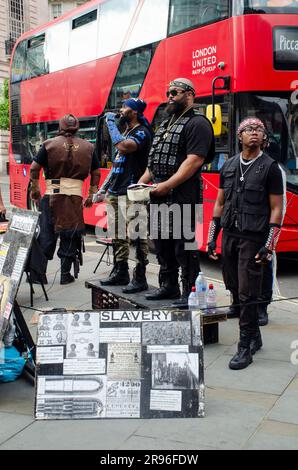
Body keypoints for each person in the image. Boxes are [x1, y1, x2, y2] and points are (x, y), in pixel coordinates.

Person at [207, 117, 284, 370]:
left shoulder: (270, 167)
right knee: (233, 285)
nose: (253, 133)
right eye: (248, 129)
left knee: (248, 292)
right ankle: (255, 336)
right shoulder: (228, 165)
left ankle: (245, 347)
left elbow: (276, 208)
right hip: (230, 235)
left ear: (264, 138)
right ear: (239, 137)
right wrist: (211, 238)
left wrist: (269, 244)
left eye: (258, 130)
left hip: (253, 238)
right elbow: (220, 203)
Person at [139, 78, 214, 306]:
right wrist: (140, 185)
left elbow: (194, 161)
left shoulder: (198, 123)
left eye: (175, 92)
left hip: (184, 195)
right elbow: (154, 162)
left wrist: (168, 185)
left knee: (185, 246)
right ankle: (168, 286)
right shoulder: (165, 122)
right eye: (168, 92)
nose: (169, 96)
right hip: (159, 193)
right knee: (162, 244)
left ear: (190, 94)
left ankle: (190, 292)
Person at [30, 114, 100, 285]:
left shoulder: (48, 145)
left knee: (46, 235)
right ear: (77, 128)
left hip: (52, 196)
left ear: (60, 127)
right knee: (70, 234)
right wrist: (91, 194)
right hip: (74, 198)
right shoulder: (88, 147)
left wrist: (35, 188)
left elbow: (34, 168)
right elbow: (96, 172)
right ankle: (65, 275)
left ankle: (39, 275)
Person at [100, 99, 153, 293]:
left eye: (125, 107)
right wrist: (103, 190)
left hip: (133, 192)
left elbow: (123, 147)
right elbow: (116, 166)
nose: (121, 110)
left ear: (135, 112)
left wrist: (111, 123)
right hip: (116, 191)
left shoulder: (141, 133)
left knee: (137, 235)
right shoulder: (126, 133)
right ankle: (121, 271)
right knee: (117, 234)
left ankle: (140, 277)